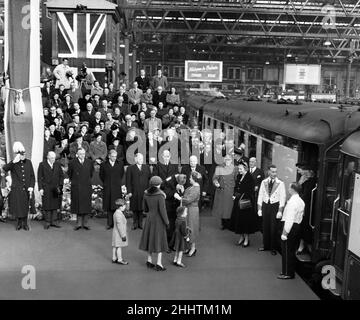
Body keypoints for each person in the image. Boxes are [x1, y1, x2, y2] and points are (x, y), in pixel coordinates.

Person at [139, 176, 169, 271]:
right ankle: (159, 263)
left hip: (149, 219)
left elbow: (145, 209)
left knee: (150, 239)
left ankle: (149, 260)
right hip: (158, 220)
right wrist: (167, 222)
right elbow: (162, 211)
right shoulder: (160, 195)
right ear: (159, 184)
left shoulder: (146, 194)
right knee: (159, 241)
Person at [2, 142, 35, 230]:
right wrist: (13, 162)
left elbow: (32, 176)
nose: (23, 155)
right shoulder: (14, 163)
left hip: (27, 188)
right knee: (19, 206)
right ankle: (19, 223)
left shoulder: (29, 162)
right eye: (21, 154)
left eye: (24, 154)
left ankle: (25, 223)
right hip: (17, 188)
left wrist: (31, 186)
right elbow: (5, 168)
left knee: (25, 206)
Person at [257, 164, 286, 255]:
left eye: (276, 172)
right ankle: (265, 245)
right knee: (265, 226)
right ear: (269, 171)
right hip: (266, 205)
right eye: (273, 172)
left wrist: (280, 210)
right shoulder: (264, 182)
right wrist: (259, 208)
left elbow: (283, 197)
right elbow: (260, 195)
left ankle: (273, 248)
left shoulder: (280, 183)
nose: (274, 173)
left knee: (274, 228)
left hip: (275, 206)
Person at [278, 182, 305, 279]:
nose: (288, 189)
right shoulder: (301, 201)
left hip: (290, 227)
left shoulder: (292, 202)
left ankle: (287, 273)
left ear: (293, 189)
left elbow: (289, 219)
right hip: (297, 226)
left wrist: (285, 233)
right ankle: (289, 271)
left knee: (286, 250)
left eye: (289, 188)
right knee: (291, 250)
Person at [229, 162, 258, 247]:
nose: (239, 170)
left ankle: (246, 239)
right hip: (238, 201)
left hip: (246, 201)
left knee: (245, 221)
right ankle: (241, 237)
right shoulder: (238, 176)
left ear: (245, 169)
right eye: (239, 169)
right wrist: (235, 194)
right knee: (239, 220)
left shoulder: (250, 178)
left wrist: (240, 196)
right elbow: (236, 187)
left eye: (240, 169)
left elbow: (250, 191)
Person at [152, 150, 178, 244]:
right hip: (161, 195)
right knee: (161, 219)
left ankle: (170, 242)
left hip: (172, 197)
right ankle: (161, 241)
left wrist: (174, 188)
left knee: (171, 220)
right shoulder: (157, 165)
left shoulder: (174, 166)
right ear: (162, 156)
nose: (166, 157)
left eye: (168, 156)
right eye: (164, 156)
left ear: (170, 156)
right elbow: (155, 180)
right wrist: (165, 183)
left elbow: (176, 181)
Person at [175, 171, 201, 257]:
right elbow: (186, 196)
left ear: (193, 179)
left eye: (190, 178)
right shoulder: (192, 187)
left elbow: (188, 200)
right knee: (187, 227)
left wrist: (179, 198)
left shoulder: (196, 188)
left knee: (192, 228)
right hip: (188, 209)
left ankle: (193, 248)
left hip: (192, 210)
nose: (189, 179)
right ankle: (190, 247)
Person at [68, 148, 94, 230]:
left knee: (86, 205)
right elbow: (70, 174)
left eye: (83, 153)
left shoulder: (89, 162)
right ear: (77, 154)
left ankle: (85, 223)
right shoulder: (72, 162)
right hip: (77, 186)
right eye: (80, 154)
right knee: (78, 205)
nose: (82, 155)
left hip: (86, 186)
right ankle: (78, 223)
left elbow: (91, 173)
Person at [37, 151, 64, 229]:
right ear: (48, 157)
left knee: (55, 205)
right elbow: (39, 178)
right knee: (47, 205)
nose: (53, 159)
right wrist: (40, 188)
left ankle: (54, 221)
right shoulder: (42, 164)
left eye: (54, 158)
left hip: (56, 188)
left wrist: (60, 186)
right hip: (46, 188)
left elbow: (61, 176)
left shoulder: (57, 164)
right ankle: (48, 222)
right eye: (52, 158)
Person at [100, 150, 125, 230]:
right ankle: (109, 223)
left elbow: (121, 174)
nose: (115, 158)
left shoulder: (120, 164)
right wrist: (107, 182)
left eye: (115, 156)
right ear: (109, 156)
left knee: (116, 206)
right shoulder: (104, 164)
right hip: (108, 187)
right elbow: (101, 175)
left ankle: (116, 224)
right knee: (109, 206)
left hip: (116, 188)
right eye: (113, 156)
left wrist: (116, 182)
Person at [126, 153, 151, 230]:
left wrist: (149, 190)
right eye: (139, 159)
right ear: (135, 159)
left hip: (144, 191)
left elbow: (150, 179)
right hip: (134, 191)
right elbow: (128, 181)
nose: (141, 160)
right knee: (135, 208)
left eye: (142, 159)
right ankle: (135, 223)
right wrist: (129, 191)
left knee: (141, 208)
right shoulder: (130, 168)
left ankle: (140, 223)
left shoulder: (147, 167)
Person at [211, 154, 237, 230]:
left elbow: (237, 179)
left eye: (229, 159)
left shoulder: (235, 168)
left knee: (230, 208)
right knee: (223, 208)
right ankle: (224, 224)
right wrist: (216, 183)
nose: (227, 161)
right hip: (222, 191)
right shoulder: (219, 168)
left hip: (231, 191)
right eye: (226, 159)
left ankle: (230, 224)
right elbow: (215, 178)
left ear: (231, 160)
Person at [112, 198, 129, 265]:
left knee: (115, 246)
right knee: (119, 246)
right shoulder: (119, 214)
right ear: (120, 206)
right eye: (124, 206)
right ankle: (120, 259)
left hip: (115, 232)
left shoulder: (116, 213)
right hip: (119, 233)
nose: (125, 207)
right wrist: (123, 235)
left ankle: (114, 258)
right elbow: (120, 225)